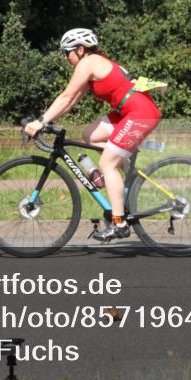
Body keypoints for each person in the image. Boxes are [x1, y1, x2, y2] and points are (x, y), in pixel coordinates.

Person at [23, 28, 162, 241]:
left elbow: (65, 97)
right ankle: (124, 173)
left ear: (80, 49)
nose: (65, 57)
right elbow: (70, 101)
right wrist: (46, 121)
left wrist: (40, 122)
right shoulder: (92, 66)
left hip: (139, 113)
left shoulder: (88, 63)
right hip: (129, 112)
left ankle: (119, 224)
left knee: (108, 164)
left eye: (67, 52)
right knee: (90, 135)